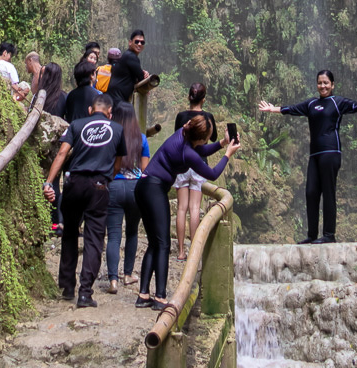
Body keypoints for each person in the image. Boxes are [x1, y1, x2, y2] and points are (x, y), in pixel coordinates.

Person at [259, 68, 357, 244]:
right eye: (320, 83)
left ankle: (329, 235)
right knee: (311, 192)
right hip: (315, 155)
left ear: (332, 85)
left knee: (328, 192)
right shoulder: (311, 104)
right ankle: (311, 235)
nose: (322, 86)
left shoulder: (337, 102)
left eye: (326, 83)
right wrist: (272, 109)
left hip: (331, 152)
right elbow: (292, 109)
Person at [134, 115, 238, 309]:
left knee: (154, 243)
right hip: (153, 189)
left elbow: (201, 149)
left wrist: (223, 143)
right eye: (207, 137)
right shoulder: (186, 152)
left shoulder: (183, 134)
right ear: (198, 138)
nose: (207, 141)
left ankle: (144, 295)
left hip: (145, 186)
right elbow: (213, 174)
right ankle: (160, 298)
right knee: (163, 244)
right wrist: (228, 154)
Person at [42, 92, 123, 309]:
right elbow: (118, 162)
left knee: (69, 232)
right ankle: (85, 293)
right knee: (94, 240)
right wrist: (107, 178)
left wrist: (49, 182)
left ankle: (67, 286)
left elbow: (61, 153)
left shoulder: (76, 125)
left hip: (74, 184)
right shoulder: (117, 129)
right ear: (110, 113)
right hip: (99, 187)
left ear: (90, 110)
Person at [105, 99, 149, 293]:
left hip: (114, 186)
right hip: (135, 189)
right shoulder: (141, 139)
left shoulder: (109, 136)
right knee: (132, 232)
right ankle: (128, 274)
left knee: (114, 236)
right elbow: (145, 169)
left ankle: (113, 279)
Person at [172, 83, 217, 262]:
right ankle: (194, 252)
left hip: (182, 163)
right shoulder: (207, 117)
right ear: (203, 99)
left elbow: (177, 135)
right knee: (195, 209)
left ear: (189, 97)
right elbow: (212, 138)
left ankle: (181, 251)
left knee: (181, 209)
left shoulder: (181, 116)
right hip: (199, 164)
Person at [107, 29, 149, 106]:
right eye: (137, 41)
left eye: (142, 42)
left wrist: (142, 74)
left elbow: (136, 75)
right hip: (117, 99)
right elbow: (141, 78)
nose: (139, 44)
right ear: (130, 42)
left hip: (115, 98)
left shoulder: (127, 55)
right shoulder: (130, 56)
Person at [61, 58, 102, 125]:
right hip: (88, 131)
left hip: (72, 129)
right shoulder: (97, 95)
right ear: (92, 75)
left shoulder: (71, 95)